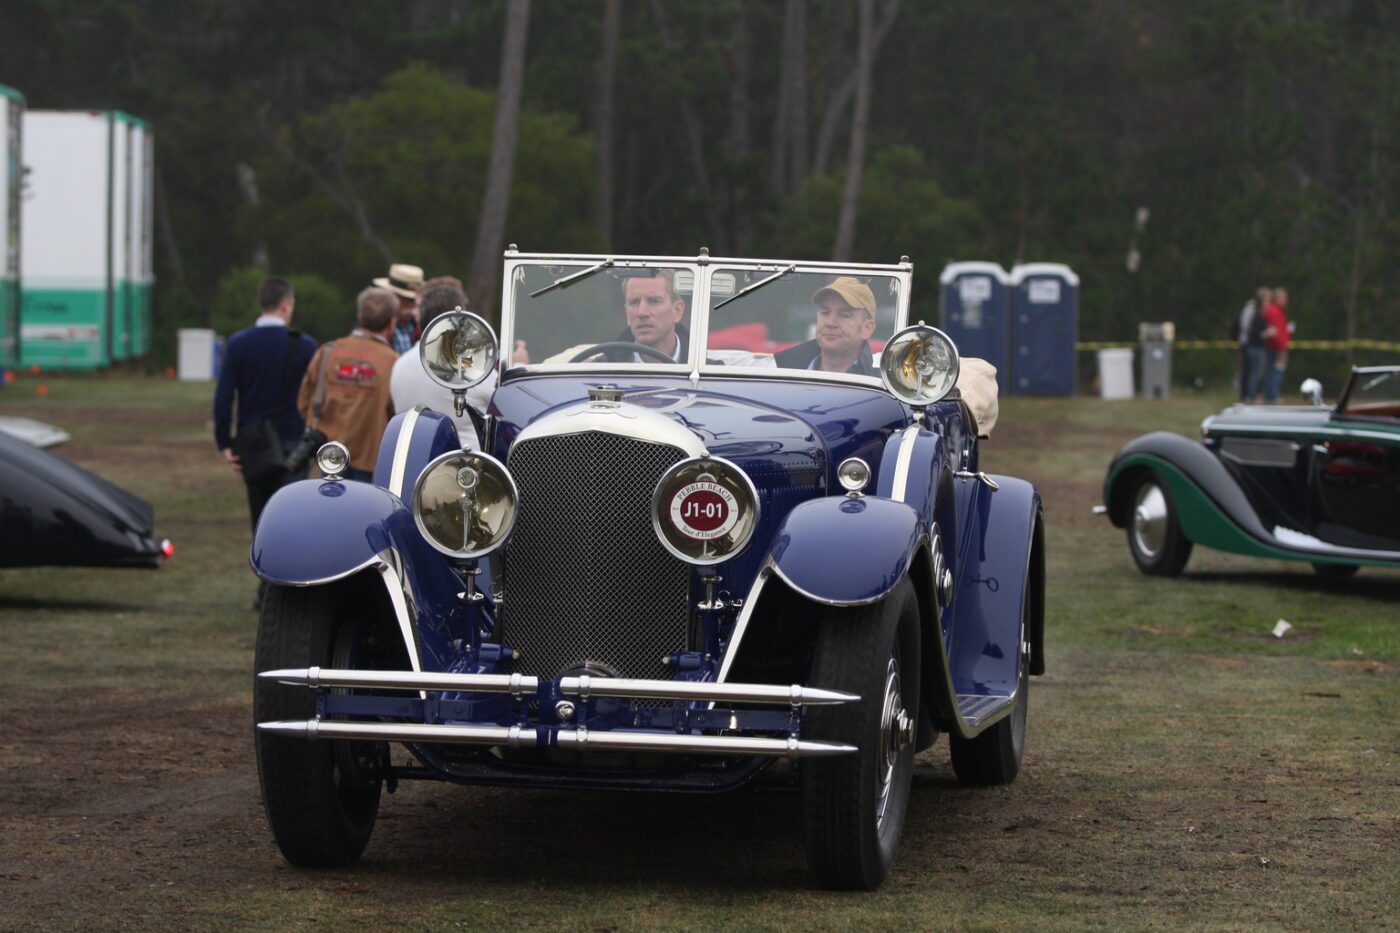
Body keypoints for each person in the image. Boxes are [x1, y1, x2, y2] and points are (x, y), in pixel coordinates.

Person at [212, 276, 318, 608]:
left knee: (261, 519)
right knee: (292, 517)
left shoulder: (239, 344)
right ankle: (287, 590)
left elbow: (224, 396)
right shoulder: (305, 345)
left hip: (253, 441)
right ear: (286, 304)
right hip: (291, 438)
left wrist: (224, 441)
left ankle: (265, 588)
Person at [298, 286, 401, 481]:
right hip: (371, 461)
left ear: (360, 317)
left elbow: (304, 401)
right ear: (392, 323)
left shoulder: (328, 351)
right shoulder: (393, 361)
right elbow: (396, 412)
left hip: (329, 458)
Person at [390, 282, 493, 447]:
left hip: (412, 458)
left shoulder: (400, 363)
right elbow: (499, 401)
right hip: (466, 463)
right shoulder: (469, 363)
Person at [773, 276, 878, 376]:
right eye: (825, 312)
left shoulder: (884, 385)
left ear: (867, 328)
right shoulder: (778, 370)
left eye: (845, 315)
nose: (830, 323)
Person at [374, 262, 425, 354]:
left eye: (412, 300)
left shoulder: (422, 325)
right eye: (402, 298)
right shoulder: (374, 324)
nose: (409, 304)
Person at [1237, 287, 1270, 402]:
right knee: (1252, 372)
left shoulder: (1257, 311)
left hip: (1250, 344)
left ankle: (1248, 394)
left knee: (1250, 372)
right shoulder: (1253, 310)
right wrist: (1266, 333)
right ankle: (1249, 395)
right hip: (1250, 344)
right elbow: (1248, 329)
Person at [1262, 287, 1291, 403]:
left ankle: (1271, 395)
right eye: (1284, 297)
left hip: (1276, 347)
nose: (1286, 300)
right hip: (1276, 348)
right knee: (1275, 371)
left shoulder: (1277, 311)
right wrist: (1281, 348)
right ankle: (1272, 396)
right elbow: (1275, 332)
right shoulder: (1274, 311)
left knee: (1273, 371)